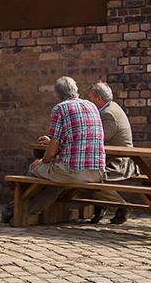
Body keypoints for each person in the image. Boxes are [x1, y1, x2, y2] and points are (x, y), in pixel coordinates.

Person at [23, 76, 106, 218]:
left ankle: (22, 209)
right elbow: (78, 138)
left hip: (71, 171)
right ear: (76, 90)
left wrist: (42, 161)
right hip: (97, 172)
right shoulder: (92, 106)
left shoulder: (60, 109)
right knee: (55, 178)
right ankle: (32, 210)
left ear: (56, 95)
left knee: (35, 169)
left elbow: (52, 151)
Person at [89, 81, 138, 224]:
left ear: (99, 98)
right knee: (83, 173)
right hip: (110, 158)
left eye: (90, 97)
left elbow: (98, 139)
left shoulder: (109, 114)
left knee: (87, 176)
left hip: (120, 162)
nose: (88, 100)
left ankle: (122, 206)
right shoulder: (108, 108)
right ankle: (101, 206)